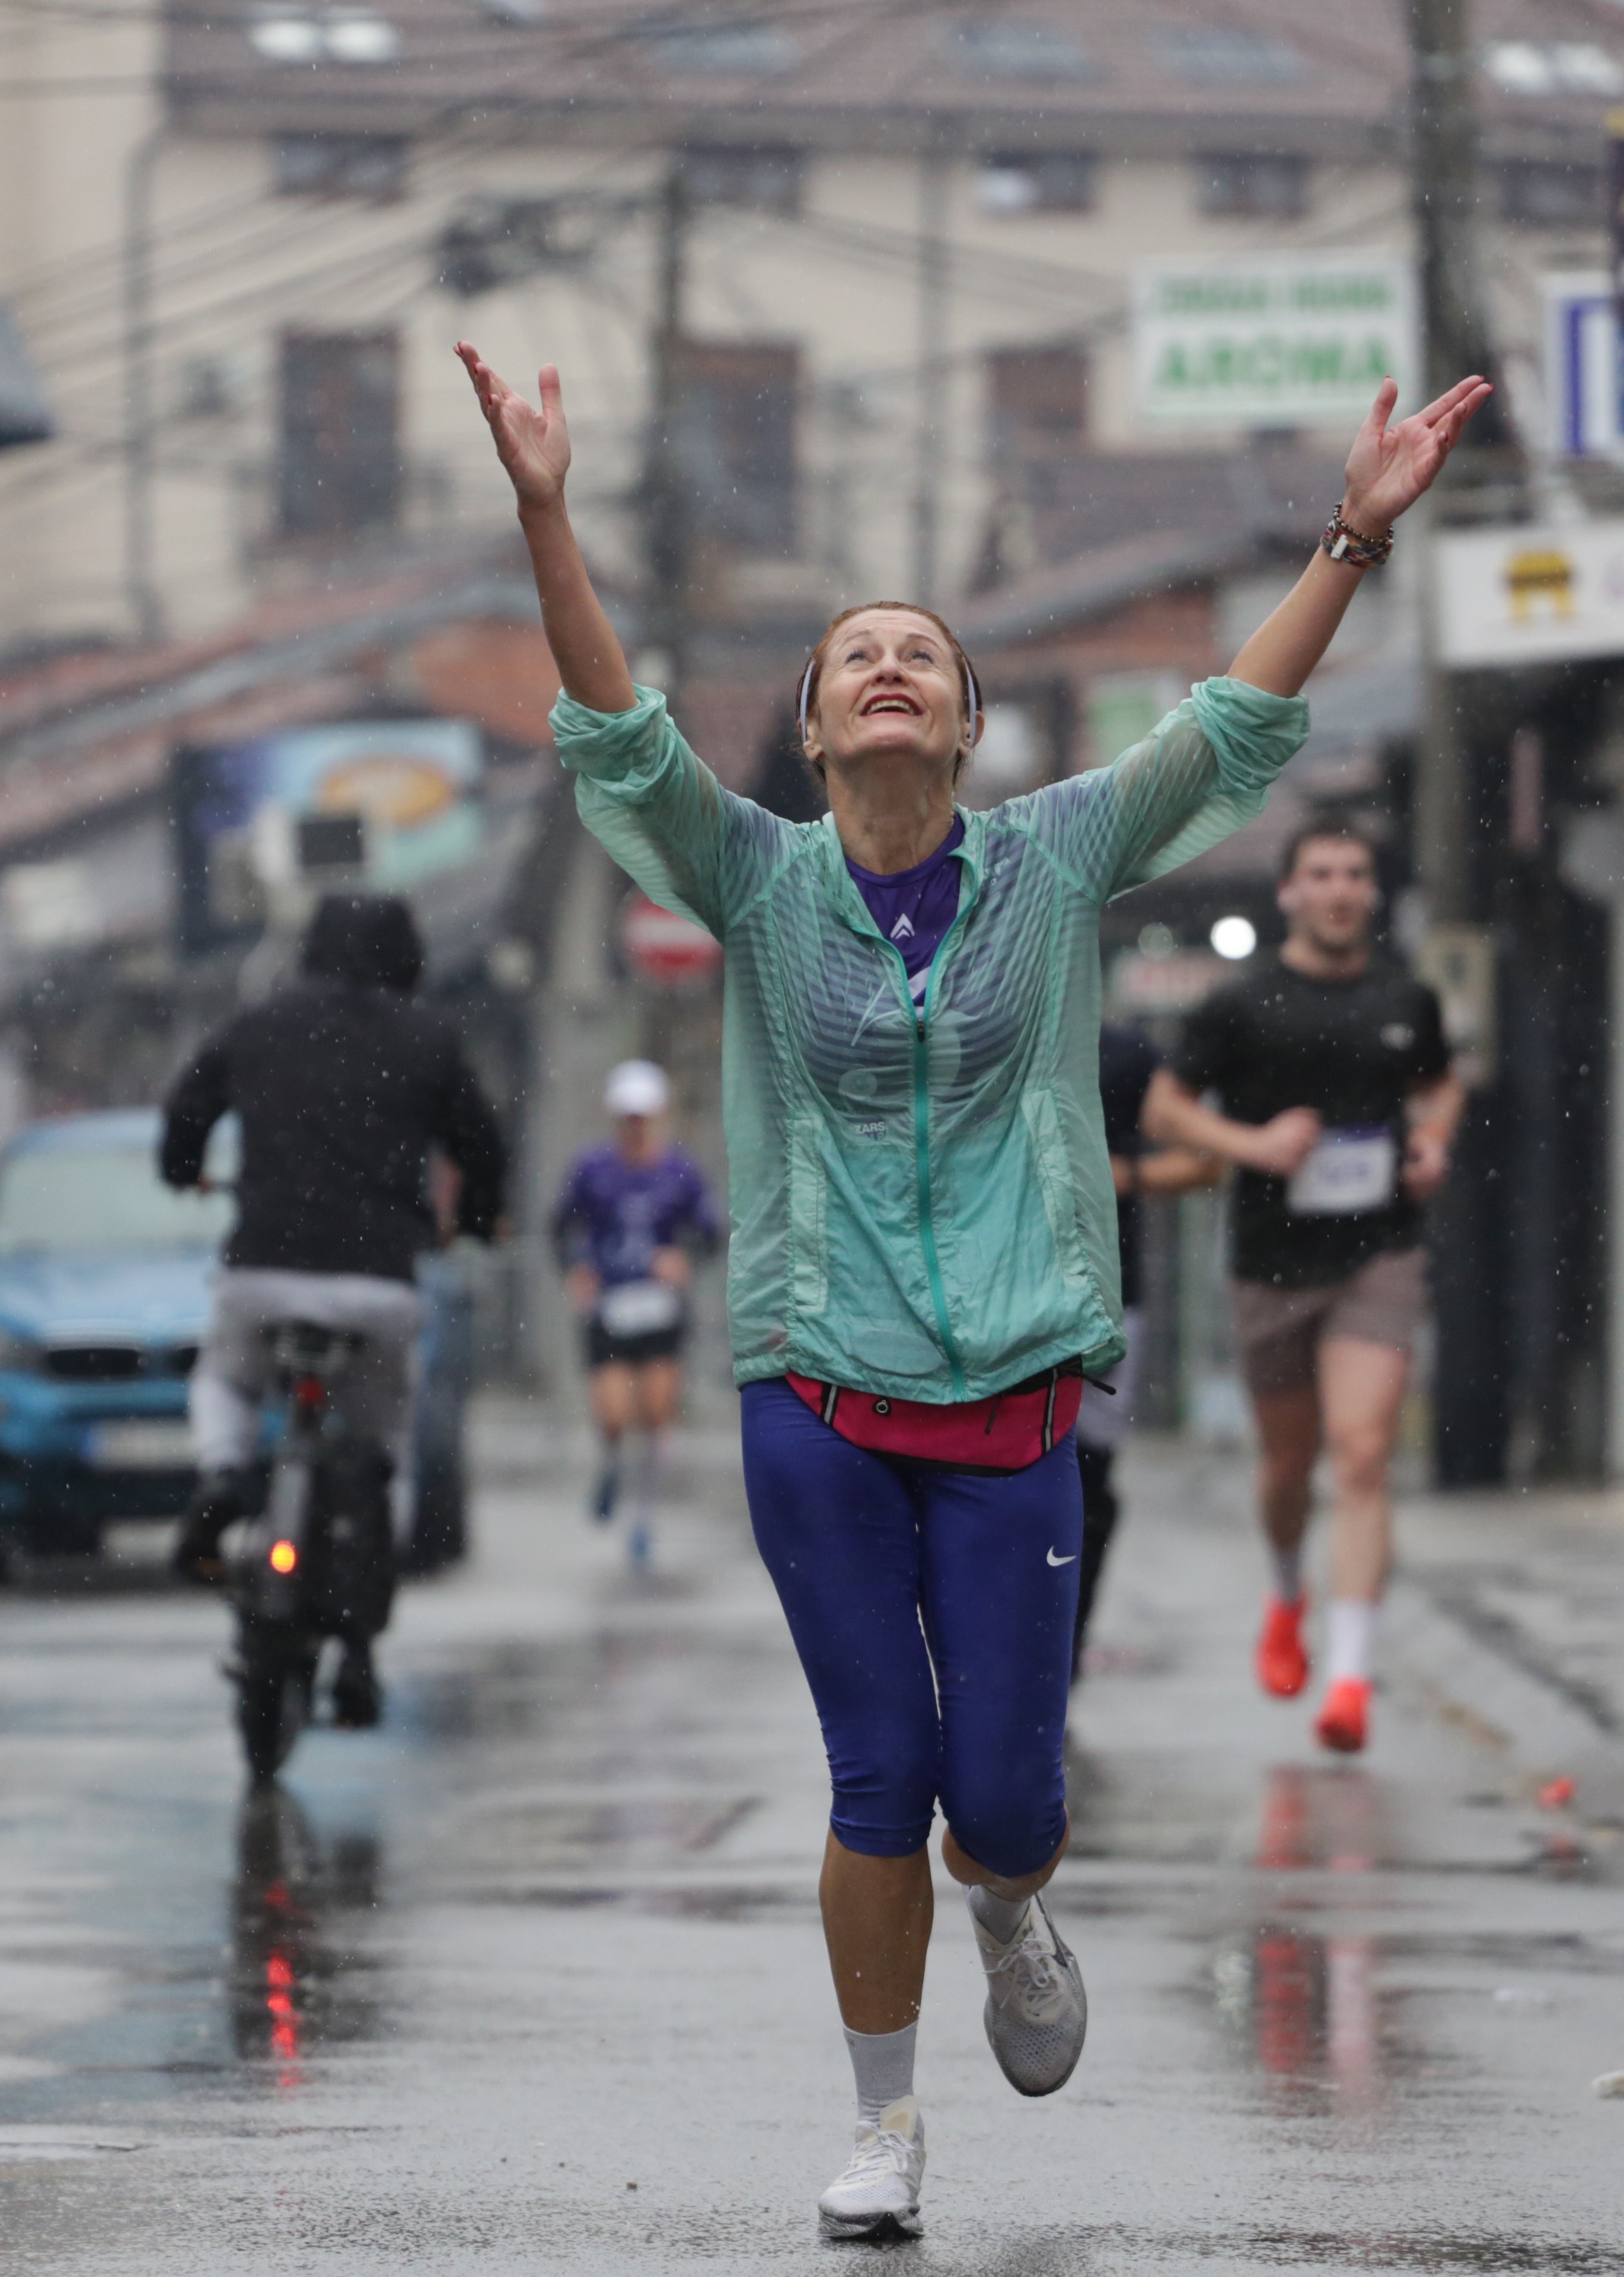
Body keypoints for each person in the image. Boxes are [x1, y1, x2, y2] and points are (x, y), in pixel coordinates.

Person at [457, 334, 1487, 2238]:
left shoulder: (1058, 858)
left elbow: (1230, 732)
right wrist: (546, 514)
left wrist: (1352, 537)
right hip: (815, 1388)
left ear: (967, 721)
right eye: (855, 653)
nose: (888, 665)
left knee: (1001, 1800)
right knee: (879, 1774)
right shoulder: (754, 880)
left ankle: (1012, 1904)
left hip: (1016, 1389)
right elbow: (617, 734)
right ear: (816, 723)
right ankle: (885, 2124)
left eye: (920, 653)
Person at [1144, 817, 1463, 1756]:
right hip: (1272, 1260)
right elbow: (1166, 1109)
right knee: (1291, 1466)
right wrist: (1252, 1144)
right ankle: (1288, 1594)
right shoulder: (1240, 1006)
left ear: (1372, 891)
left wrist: (1432, 1142)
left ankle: (1350, 1678)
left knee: (1362, 1456)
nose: (1339, 890)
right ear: (1289, 892)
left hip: (1379, 1251)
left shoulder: (1406, 997)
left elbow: (1441, 1085)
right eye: (1320, 874)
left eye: (1354, 874)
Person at [159, 892, 506, 1725]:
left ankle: (221, 1474)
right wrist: (478, 1221)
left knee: (228, 1379)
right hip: (376, 1287)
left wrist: (182, 1167)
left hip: (263, 1272)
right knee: (383, 1447)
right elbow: (483, 1146)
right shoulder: (428, 1041)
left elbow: (187, 1108)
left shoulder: (259, 1025)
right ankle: (358, 1651)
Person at [1070, 1023, 1219, 1674]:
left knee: (1086, 1481)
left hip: (1103, 1296)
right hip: (978, 1297)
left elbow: (1204, 1160)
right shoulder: (964, 1037)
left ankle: (1063, 1656)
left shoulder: (1125, 1055)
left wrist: (1120, 1175)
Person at [550, 1058, 720, 1567]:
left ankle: (644, 1515)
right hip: (610, 1305)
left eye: (642, 1117)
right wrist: (577, 1271)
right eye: (628, 1117)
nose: (635, 1127)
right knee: (613, 1411)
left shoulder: (680, 1172)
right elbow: (562, 1226)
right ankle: (610, 1461)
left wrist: (683, 1259)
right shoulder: (593, 1169)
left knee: (655, 1410)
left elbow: (710, 1231)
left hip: (659, 1309)